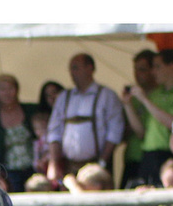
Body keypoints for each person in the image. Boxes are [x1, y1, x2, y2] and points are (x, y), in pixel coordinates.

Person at [46, 53, 125, 185]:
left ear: (90, 68)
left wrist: (102, 162)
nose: (72, 73)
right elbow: (54, 131)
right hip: (68, 166)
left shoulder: (106, 96)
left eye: (76, 68)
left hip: (97, 166)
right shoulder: (64, 97)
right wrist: (53, 163)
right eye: (71, 69)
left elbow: (115, 131)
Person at [122, 48, 173, 186]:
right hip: (148, 155)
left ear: (171, 66)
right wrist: (127, 105)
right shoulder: (154, 95)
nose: (153, 72)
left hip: (171, 155)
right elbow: (141, 132)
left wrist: (145, 100)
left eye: (157, 67)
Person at [0, 74, 38, 193]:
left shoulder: (32, 110)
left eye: (10, 88)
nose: (7, 93)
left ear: (17, 90)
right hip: (9, 174)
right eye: (2, 89)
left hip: (35, 169)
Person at [118, 50, 157, 187]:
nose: (137, 74)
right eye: (135, 69)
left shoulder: (158, 97)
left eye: (142, 69)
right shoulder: (133, 98)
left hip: (148, 158)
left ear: (153, 71)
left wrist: (129, 107)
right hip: (130, 157)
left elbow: (142, 133)